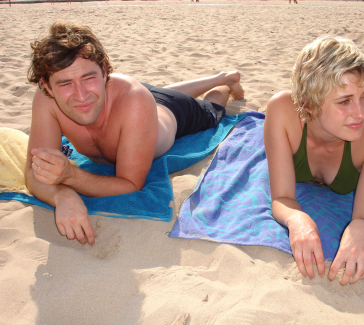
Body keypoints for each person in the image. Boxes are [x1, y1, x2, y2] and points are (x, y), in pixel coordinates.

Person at [26, 20, 244, 246]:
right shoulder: (46, 99)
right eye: (65, 84)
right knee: (159, 93)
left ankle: (224, 83)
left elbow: (130, 185)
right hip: (136, 101)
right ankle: (219, 76)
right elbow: (33, 172)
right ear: (48, 86)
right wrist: (61, 194)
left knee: (211, 111)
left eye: (88, 78)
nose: (80, 96)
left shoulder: (134, 100)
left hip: (171, 114)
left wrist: (69, 178)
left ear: (104, 73)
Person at [263, 36, 364, 285]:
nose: (359, 112)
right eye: (344, 101)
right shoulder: (282, 109)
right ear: (308, 103)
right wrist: (297, 218)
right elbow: (281, 198)